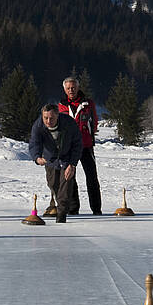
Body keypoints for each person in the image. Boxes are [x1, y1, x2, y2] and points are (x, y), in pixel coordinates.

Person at [29, 104, 82, 223]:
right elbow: (34, 143)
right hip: (50, 159)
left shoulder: (69, 123)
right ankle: (61, 205)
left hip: (67, 158)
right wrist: (37, 158)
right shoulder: (38, 126)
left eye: (51, 118)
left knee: (66, 184)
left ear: (57, 116)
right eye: (45, 118)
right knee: (53, 184)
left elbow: (77, 144)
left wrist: (72, 164)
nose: (48, 121)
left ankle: (61, 214)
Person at [58, 77, 102, 215]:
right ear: (65, 90)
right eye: (68, 88)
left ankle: (96, 209)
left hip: (86, 146)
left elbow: (94, 123)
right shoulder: (61, 105)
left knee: (92, 177)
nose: (71, 90)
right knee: (70, 177)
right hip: (69, 148)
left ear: (78, 88)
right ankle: (73, 208)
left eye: (73, 87)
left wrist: (88, 134)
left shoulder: (88, 103)